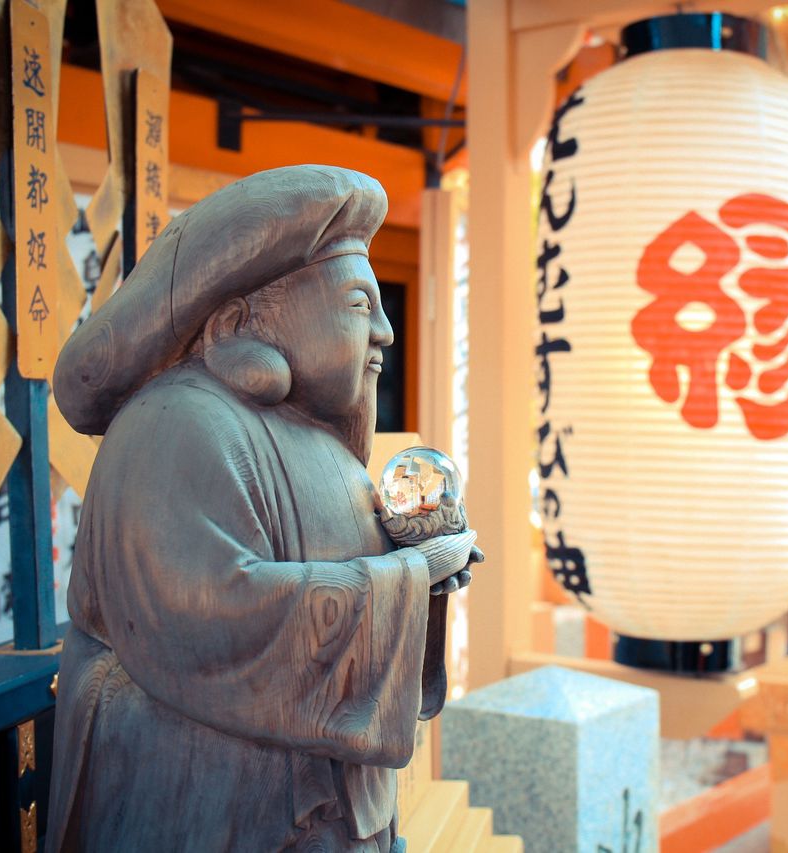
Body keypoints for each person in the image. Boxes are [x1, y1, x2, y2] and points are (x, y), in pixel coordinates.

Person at [46, 165, 477, 851]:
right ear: (240, 321)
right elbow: (205, 617)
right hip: (211, 810)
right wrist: (403, 582)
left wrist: (421, 580)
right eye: (361, 304)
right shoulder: (176, 424)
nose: (387, 334)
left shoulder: (315, 439)